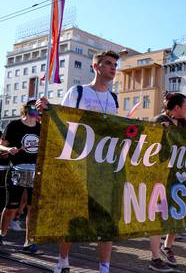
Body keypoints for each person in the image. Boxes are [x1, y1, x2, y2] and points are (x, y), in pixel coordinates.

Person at [38, 50, 124, 273]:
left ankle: (104, 268)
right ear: (96, 67)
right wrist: (49, 110)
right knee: (73, 215)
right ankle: (63, 260)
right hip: (77, 165)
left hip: (104, 167)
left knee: (106, 219)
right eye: (108, 63)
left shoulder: (113, 98)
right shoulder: (77, 92)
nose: (113, 67)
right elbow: (62, 121)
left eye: (115, 64)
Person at [151, 92, 186, 272]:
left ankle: (167, 246)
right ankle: (155, 257)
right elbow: (150, 141)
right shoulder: (159, 120)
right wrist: (159, 131)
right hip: (162, 175)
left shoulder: (183, 125)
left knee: (178, 213)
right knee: (159, 214)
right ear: (177, 107)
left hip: (181, 175)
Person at [0, 99, 41, 253]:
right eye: (34, 108)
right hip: (16, 170)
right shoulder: (14, 125)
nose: (36, 111)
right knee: (11, 207)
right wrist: (9, 149)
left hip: (35, 172)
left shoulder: (41, 128)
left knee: (31, 208)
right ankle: (1, 234)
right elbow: (1, 144)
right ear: (27, 109)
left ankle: (28, 242)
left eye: (38, 109)